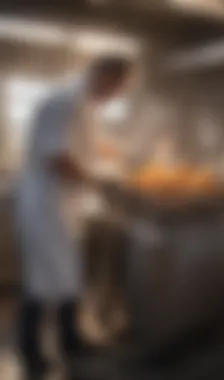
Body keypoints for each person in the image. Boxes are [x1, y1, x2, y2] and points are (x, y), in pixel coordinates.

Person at [13, 56, 132, 379]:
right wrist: (100, 182)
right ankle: (30, 351)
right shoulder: (63, 101)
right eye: (117, 87)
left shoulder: (84, 104)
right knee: (43, 284)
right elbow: (57, 159)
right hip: (47, 208)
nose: (116, 95)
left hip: (66, 209)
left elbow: (84, 146)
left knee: (68, 280)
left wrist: (111, 155)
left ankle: (71, 340)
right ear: (104, 75)